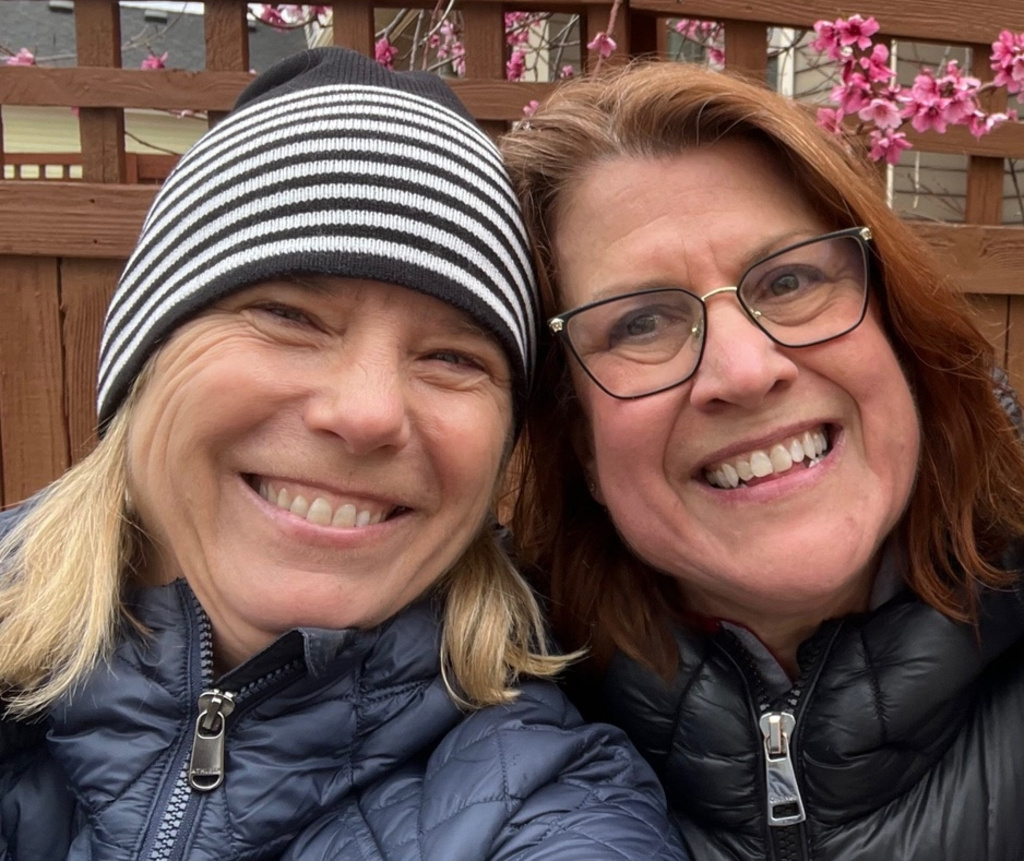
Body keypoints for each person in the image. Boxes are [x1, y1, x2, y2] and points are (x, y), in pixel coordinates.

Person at [0, 48, 688, 861]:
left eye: (454, 358)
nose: (367, 414)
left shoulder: (551, 809)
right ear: (142, 359)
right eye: (289, 313)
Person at [501, 60, 1024, 860]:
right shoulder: (475, 738)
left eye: (788, 279)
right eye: (641, 323)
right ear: (581, 443)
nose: (745, 371)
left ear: (898, 331)